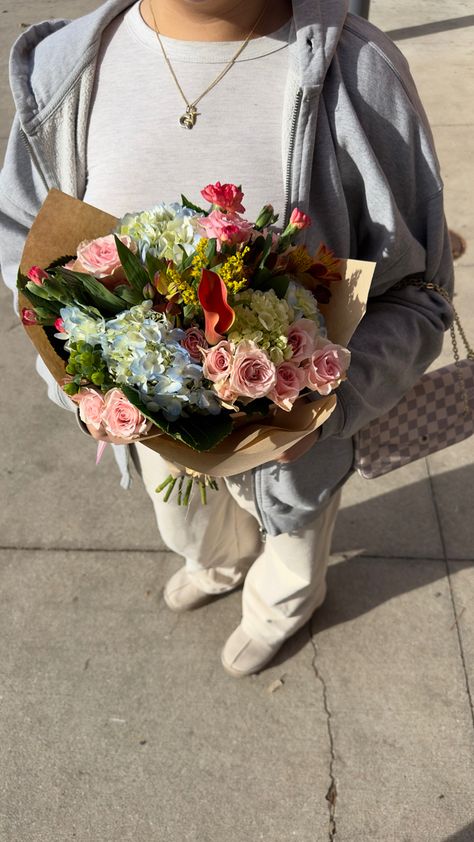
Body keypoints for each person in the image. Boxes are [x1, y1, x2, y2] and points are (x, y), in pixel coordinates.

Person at [0, 0, 454, 677]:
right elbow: (25, 247)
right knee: (182, 523)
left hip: (301, 438)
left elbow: (419, 293)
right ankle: (219, 564)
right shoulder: (67, 68)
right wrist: (80, 383)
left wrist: (333, 404)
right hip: (144, 420)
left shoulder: (359, 75)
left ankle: (282, 608)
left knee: (297, 534)